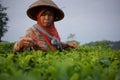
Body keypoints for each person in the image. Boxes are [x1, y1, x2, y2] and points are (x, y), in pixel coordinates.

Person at [13, 0, 78, 52]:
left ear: (54, 17)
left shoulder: (53, 31)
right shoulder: (32, 31)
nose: (47, 18)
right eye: (43, 14)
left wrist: (68, 45)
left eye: (50, 15)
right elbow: (17, 50)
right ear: (38, 16)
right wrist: (19, 45)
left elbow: (56, 44)